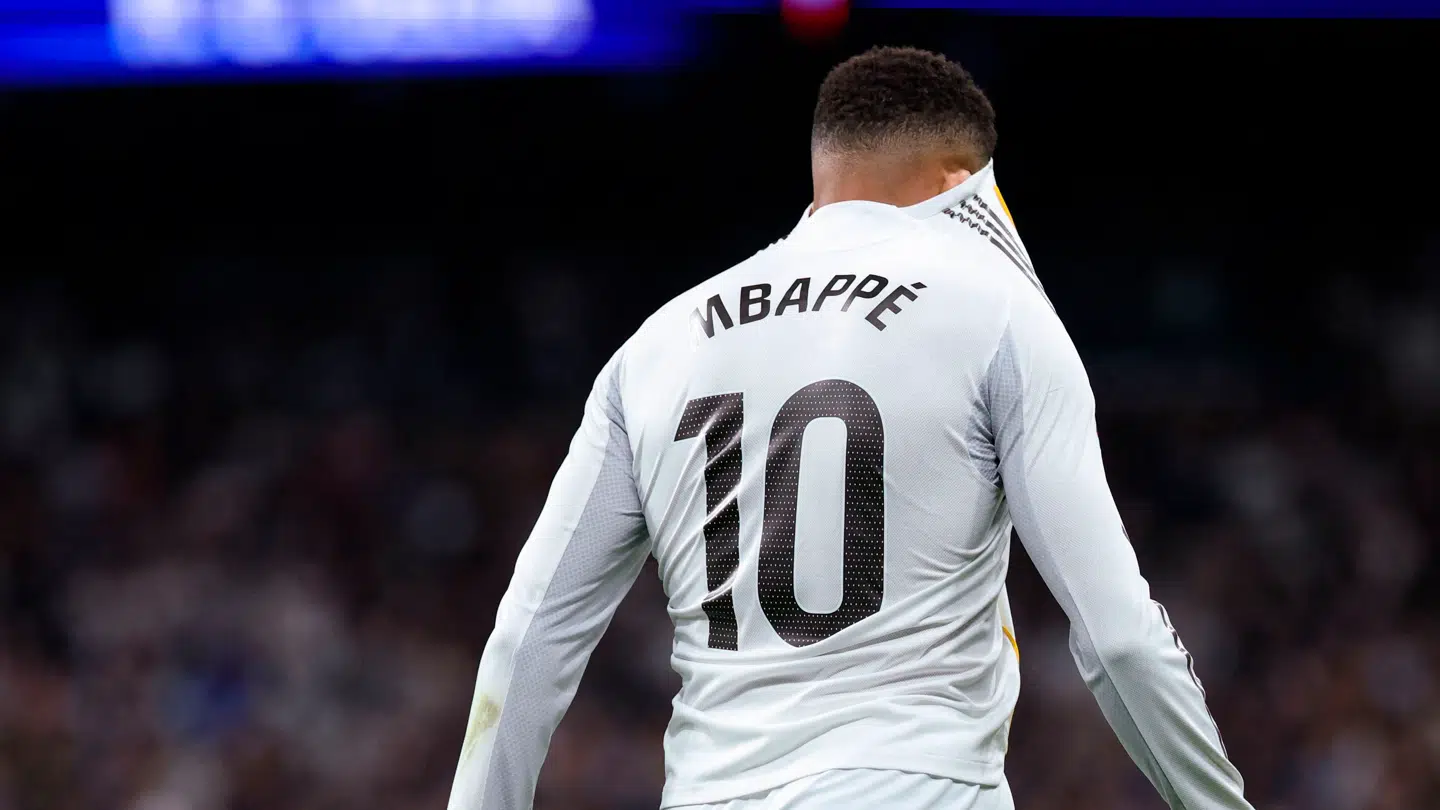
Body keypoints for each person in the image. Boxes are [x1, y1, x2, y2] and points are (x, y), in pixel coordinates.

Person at [448, 46, 1254, 810]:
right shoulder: (998, 311)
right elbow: (1119, 642)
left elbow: (529, 644)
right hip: (915, 785)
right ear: (962, 180)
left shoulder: (653, 348)